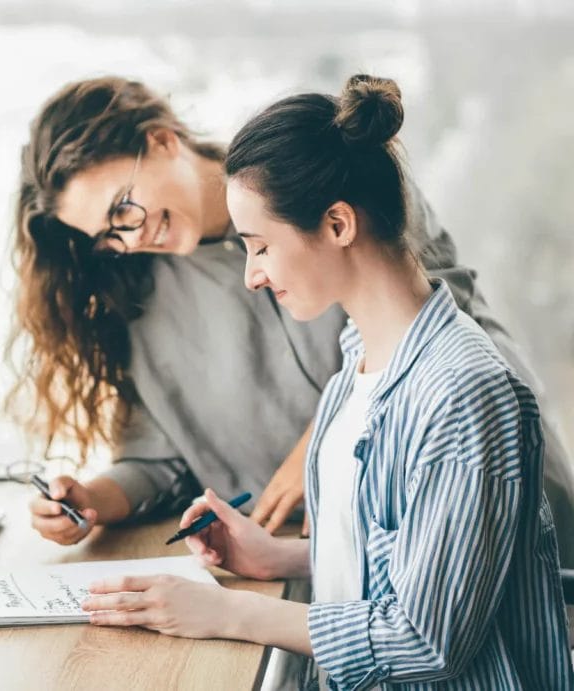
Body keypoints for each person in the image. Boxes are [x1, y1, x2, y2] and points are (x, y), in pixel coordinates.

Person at [80, 74, 572, 689]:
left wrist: (228, 611)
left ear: (338, 225)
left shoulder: (461, 394)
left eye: (259, 247)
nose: (251, 275)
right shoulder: (359, 360)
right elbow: (403, 556)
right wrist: (274, 555)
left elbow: (424, 640)